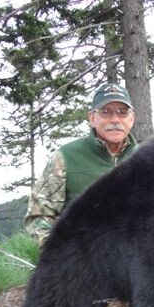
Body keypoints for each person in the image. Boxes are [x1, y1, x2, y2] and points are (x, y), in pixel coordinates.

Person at [24, 83, 139, 245]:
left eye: (122, 112)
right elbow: (38, 215)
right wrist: (60, 253)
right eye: (105, 112)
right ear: (92, 118)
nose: (115, 119)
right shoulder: (66, 157)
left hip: (137, 266)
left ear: (132, 118)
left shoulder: (149, 160)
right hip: (82, 265)